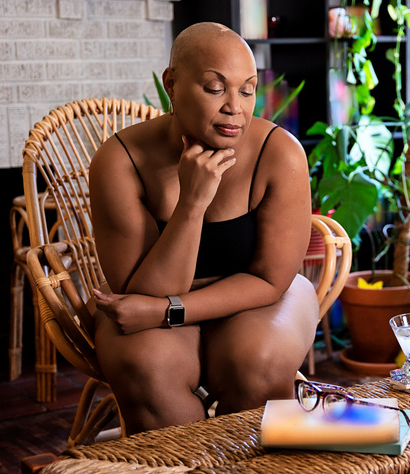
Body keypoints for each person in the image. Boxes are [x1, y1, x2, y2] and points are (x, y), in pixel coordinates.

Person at [88, 22, 319, 435]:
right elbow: (140, 293)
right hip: (147, 304)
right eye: (215, 88)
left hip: (256, 297)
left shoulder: (279, 154)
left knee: (257, 364)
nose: (236, 107)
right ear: (172, 84)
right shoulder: (120, 161)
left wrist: (169, 311)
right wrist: (192, 203)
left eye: (247, 90)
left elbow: (270, 280)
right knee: (145, 369)